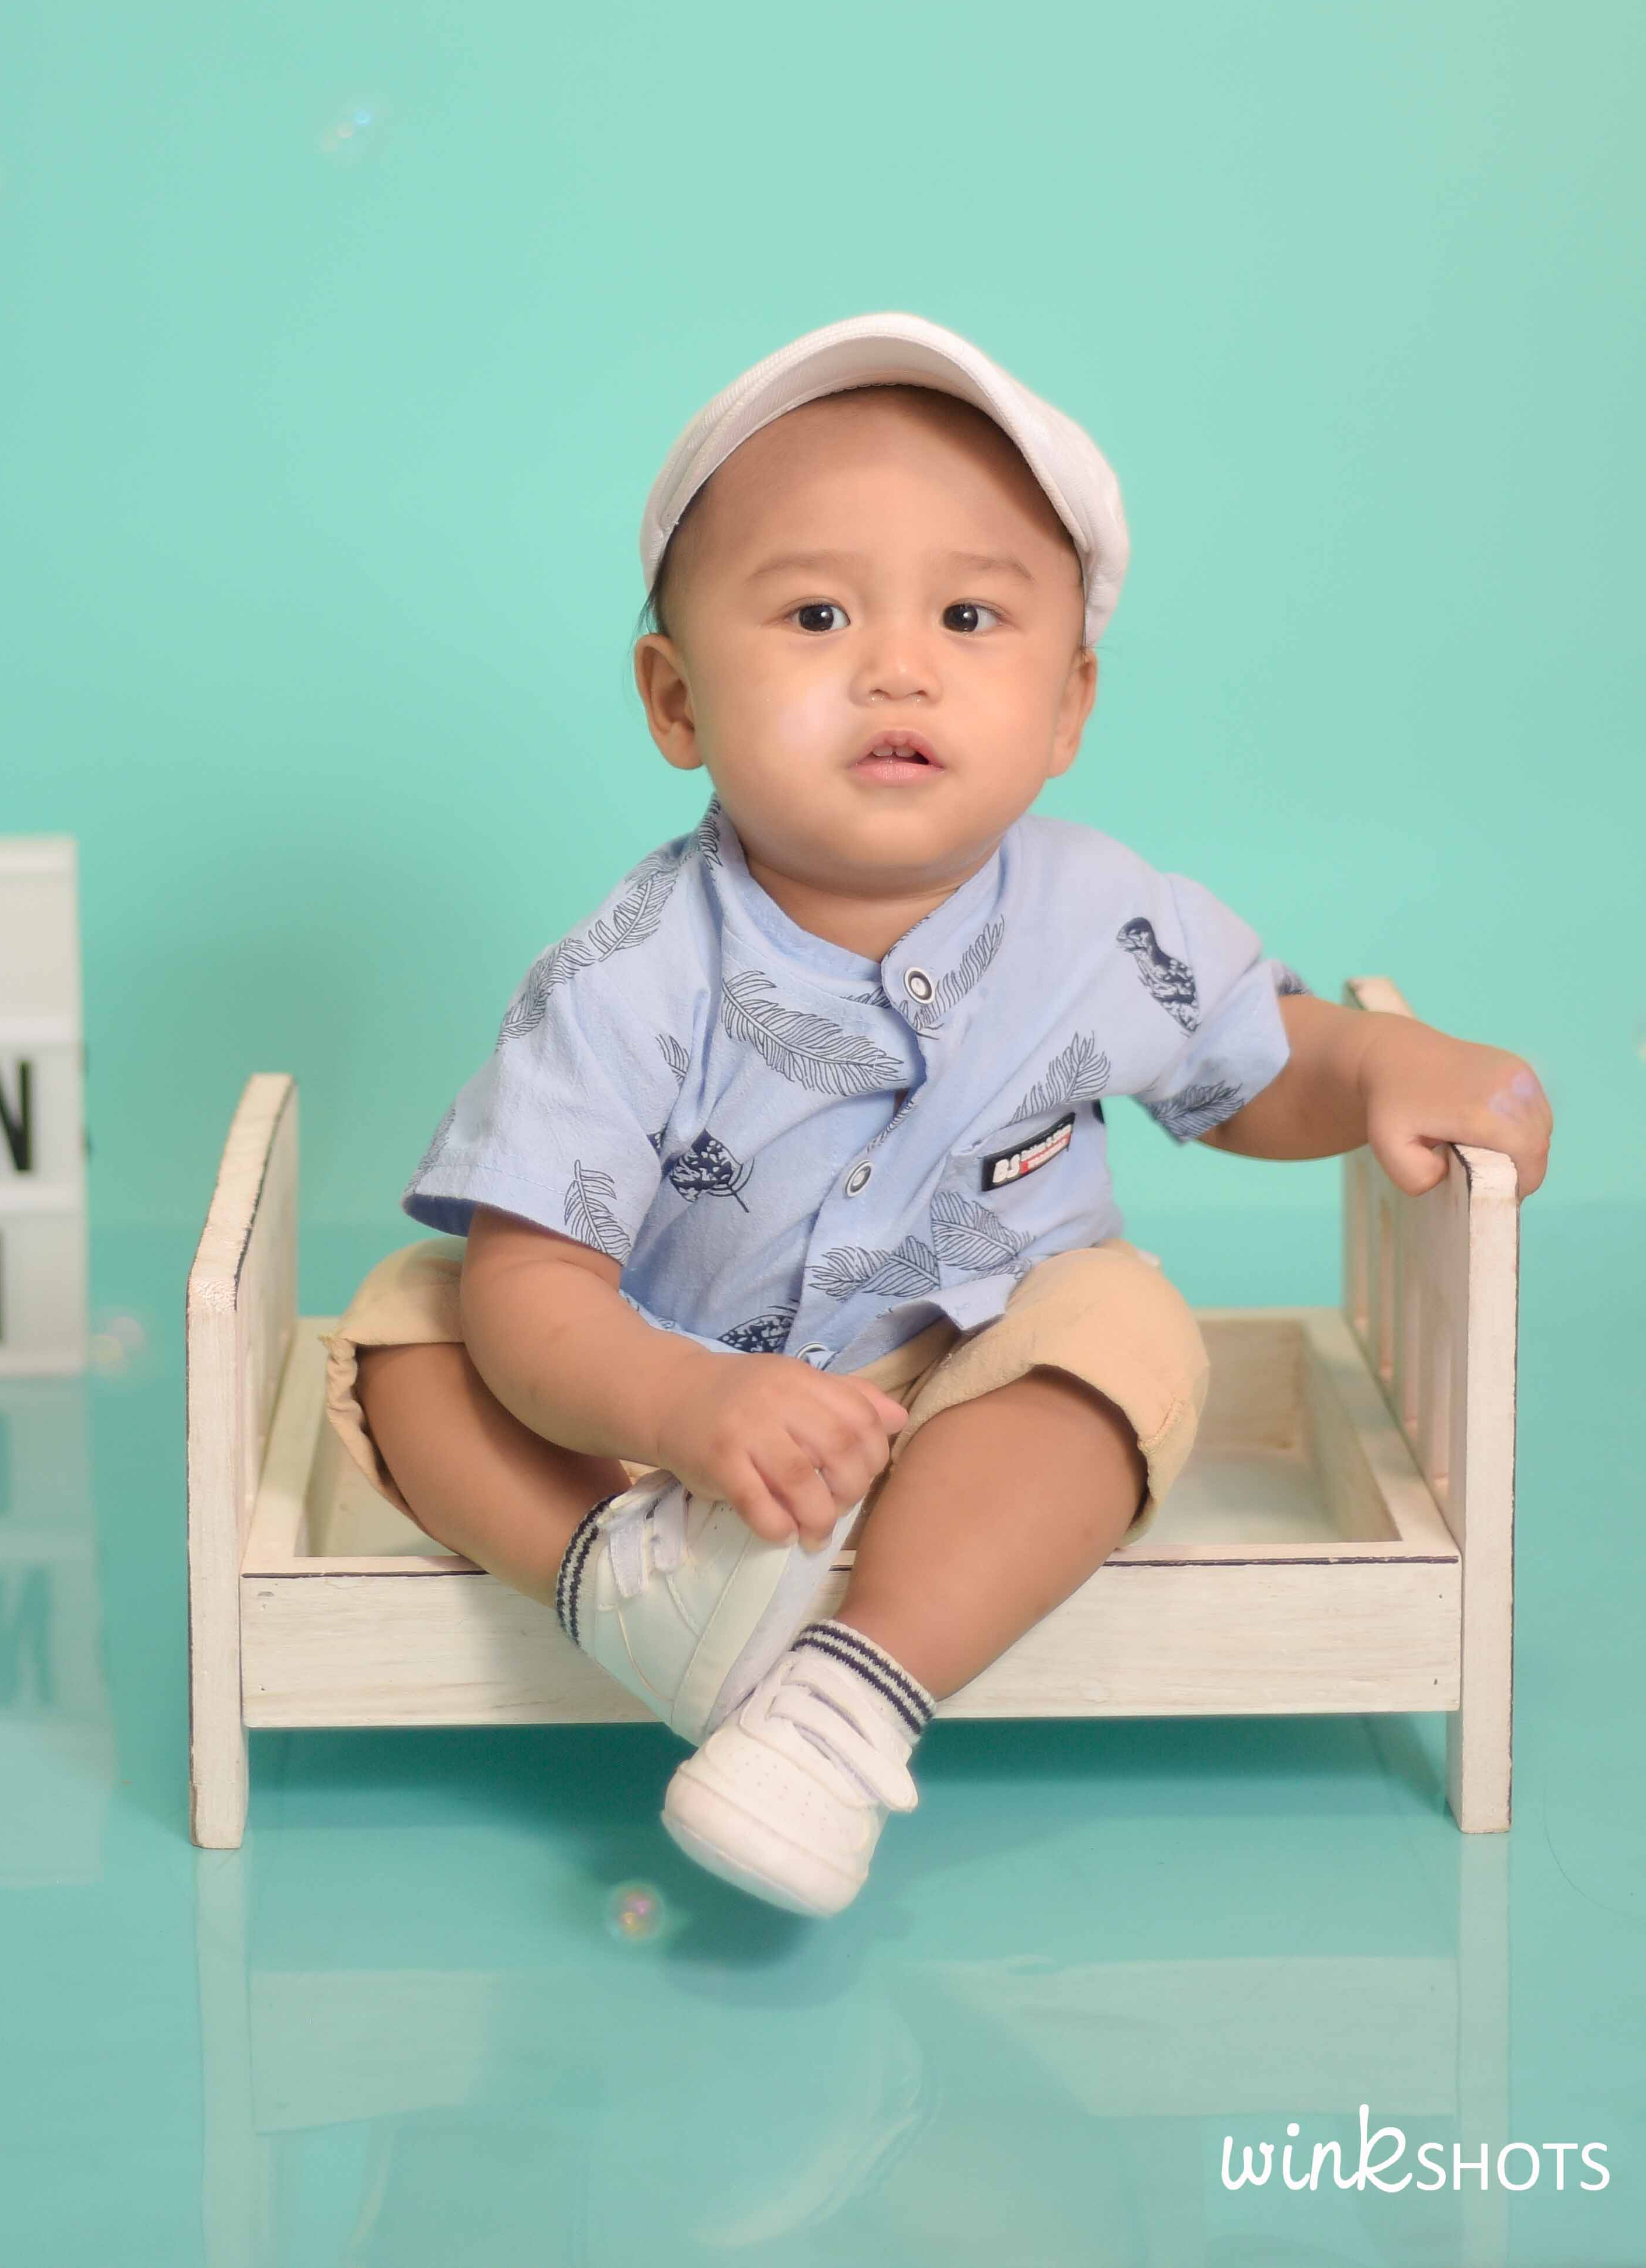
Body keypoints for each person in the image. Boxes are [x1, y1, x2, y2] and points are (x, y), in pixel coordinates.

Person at [321, 315, 1553, 1915]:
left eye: (970, 616)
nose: (897, 667)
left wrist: (1381, 1065)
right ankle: (620, 1593)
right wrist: (684, 1403)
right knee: (415, 1324)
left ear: (1068, 705)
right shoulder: (628, 970)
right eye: (817, 613)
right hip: (651, 1400)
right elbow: (539, 1286)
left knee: (1122, 1331)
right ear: (676, 700)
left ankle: (842, 1708)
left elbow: (1257, 1064)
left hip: (967, 1387)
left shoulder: (1105, 918)